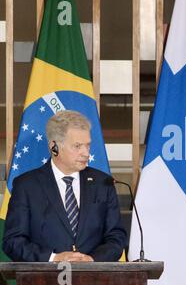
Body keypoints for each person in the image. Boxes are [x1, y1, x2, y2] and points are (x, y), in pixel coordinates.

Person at [2, 110, 127, 262]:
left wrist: (92, 260)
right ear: (54, 147)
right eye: (77, 146)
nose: (85, 153)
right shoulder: (26, 186)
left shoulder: (103, 183)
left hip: (95, 281)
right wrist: (53, 258)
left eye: (87, 146)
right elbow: (13, 242)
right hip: (43, 281)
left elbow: (116, 237)